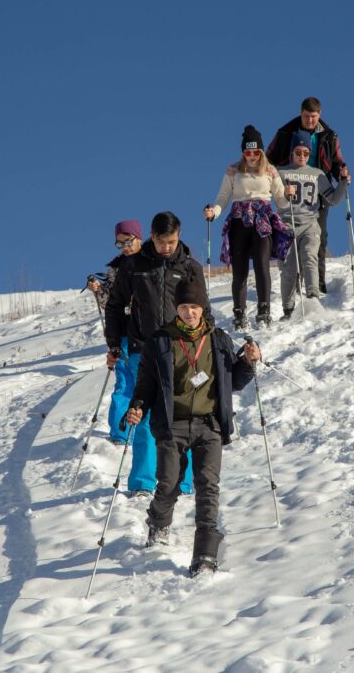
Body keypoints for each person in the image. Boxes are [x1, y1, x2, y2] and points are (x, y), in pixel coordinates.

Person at [123, 275, 260, 577]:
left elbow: (233, 382)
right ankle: (158, 523)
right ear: (176, 308)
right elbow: (146, 384)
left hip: (209, 425)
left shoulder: (219, 339)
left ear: (203, 308)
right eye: (184, 307)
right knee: (169, 484)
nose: (189, 312)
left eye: (195, 307)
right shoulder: (160, 341)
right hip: (172, 424)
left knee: (207, 486)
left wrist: (249, 363)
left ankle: (205, 554)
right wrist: (137, 406)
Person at [104, 211, 212, 496]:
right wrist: (114, 343)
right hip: (143, 349)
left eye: (172, 242)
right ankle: (143, 482)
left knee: (183, 417)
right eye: (162, 241)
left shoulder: (190, 266)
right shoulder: (133, 266)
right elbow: (114, 306)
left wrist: (208, 346)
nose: (166, 247)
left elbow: (204, 310)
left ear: (179, 236)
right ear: (151, 236)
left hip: (183, 350)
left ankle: (182, 482)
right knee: (143, 414)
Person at [204, 125, 294, 330]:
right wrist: (214, 212)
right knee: (240, 269)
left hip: (262, 219)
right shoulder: (233, 170)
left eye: (256, 152)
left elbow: (281, 201)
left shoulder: (270, 170)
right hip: (239, 219)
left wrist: (288, 195)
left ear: (261, 152)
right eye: (248, 152)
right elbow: (223, 197)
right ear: (243, 152)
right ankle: (239, 313)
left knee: (262, 264)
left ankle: (264, 311)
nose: (252, 156)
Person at [266, 97, 348, 295]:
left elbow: (337, 161)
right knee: (292, 244)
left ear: (319, 115)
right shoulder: (286, 132)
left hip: (317, 190)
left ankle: (317, 286)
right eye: (306, 116)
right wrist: (273, 179)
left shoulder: (329, 135)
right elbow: (269, 158)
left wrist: (342, 175)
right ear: (300, 113)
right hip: (291, 193)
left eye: (313, 116)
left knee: (318, 239)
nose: (310, 120)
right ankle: (295, 285)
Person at [277, 131, 350, 318]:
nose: (302, 156)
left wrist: (343, 182)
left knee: (310, 257)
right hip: (286, 225)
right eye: (298, 152)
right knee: (288, 268)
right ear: (292, 152)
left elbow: (333, 199)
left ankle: (312, 299)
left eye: (306, 153)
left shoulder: (317, 174)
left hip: (310, 223)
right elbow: (269, 193)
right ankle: (288, 309)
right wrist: (283, 192)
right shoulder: (281, 172)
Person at [87, 219, 142, 443]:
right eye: (120, 244)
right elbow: (108, 304)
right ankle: (120, 433)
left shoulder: (151, 261)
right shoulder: (116, 268)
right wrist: (98, 290)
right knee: (124, 381)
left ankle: (146, 431)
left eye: (128, 241)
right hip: (123, 333)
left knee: (145, 382)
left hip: (146, 333)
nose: (125, 247)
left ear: (139, 238)